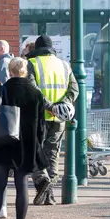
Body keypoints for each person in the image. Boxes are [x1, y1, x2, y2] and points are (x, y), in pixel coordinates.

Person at [0, 58, 46, 219]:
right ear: (25, 71)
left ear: (10, 71)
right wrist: (37, 145)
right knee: (22, 187)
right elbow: (41, 126)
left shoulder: (1, 90)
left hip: (1, 143)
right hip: (25, 146)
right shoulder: (35, 93)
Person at [26, 35, 78, 206]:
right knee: (52, 154)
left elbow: (33, 89)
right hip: (59, 118)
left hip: (39, 116)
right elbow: (74, 88)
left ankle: (42, 182)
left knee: (35, 152)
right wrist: (64, 104)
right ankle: (49, 196)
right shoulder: (64, 65)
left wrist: (49, 106)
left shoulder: (32, 64)